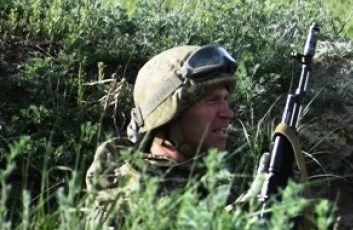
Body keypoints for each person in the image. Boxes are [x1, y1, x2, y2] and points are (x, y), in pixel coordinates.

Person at [85, 44, 239, 217]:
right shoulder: (128, 189)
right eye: (212, 100)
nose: (228, 113)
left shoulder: (209, 182)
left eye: (226, 99)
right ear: (168, 114)